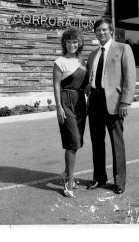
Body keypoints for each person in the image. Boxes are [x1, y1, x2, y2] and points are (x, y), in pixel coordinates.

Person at [86, 18, 136, 194]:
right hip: (95, 102)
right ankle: (99, 178)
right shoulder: (93, 54)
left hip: (114, 103)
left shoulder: (123, 48)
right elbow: (90, 78)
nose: (101, 33)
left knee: (117, 143)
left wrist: (125, 101)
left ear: (111, 31)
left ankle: (119, 182)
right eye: (98, 30)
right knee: (97, 142)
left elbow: (130, 77)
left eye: (104, 30)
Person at [53, 27, 87, 197]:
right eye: (69, 41)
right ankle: (69, 182)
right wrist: (58, 106)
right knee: (72, 142)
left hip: (81, 102)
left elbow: (86, 85)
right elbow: (57, 85)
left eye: (75, 41)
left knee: (77, 141)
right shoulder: (60, 61)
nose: (72, 44)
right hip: (66, 101)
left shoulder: (83, 62)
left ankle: (68, 174)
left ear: (79, 43)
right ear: (64, 43)